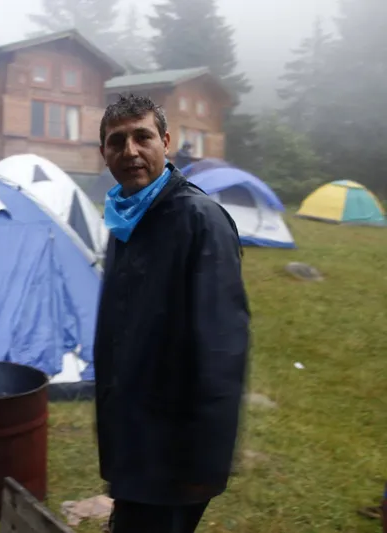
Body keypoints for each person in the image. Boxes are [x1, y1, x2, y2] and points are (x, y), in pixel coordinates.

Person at [94, 94, 250, 533]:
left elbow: (222, 349)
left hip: (173, 452)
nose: (130, 152)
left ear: (165, 141)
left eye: (142, 137)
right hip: (132, 436)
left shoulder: (200, 221)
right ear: (103, 153)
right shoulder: (125, 219)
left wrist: (201, 460)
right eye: (116, 141)